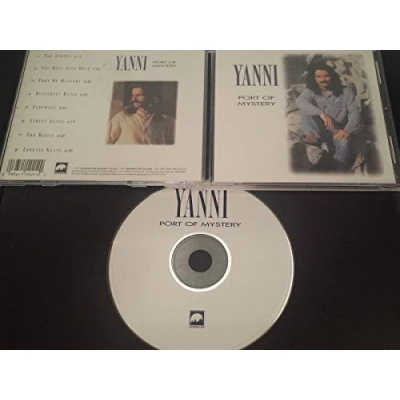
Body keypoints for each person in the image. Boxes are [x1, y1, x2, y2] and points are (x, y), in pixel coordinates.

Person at [296, 62, 362, 171]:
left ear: (332, 76)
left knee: (344, 143)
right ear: (314, 78)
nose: (323, 79)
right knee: (305, 110)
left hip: (338, 130)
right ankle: (315, 139)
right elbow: (300, 101)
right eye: (318, 76)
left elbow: (355, 112)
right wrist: (321, 114)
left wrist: (347, 130)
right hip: (320, 129)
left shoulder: (346, 91)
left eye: (326, 76)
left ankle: (337, 169)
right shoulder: (310, 91)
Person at [107, 83, 175, 145]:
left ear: (151, 97)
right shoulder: (121, 118)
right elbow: (107, 141)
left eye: (139, 95)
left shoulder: (167, 121)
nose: (134, 98)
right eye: (133, 95)